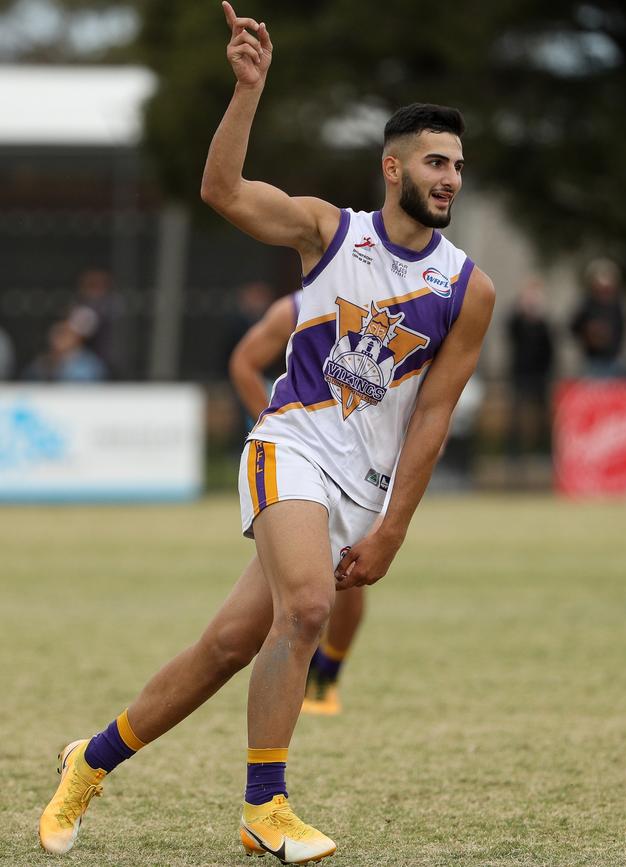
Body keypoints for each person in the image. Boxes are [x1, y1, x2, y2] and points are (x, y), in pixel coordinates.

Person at [38, 4, 495, 864]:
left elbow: (432, 417)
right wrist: (247, 90)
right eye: (436, 162)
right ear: (392, 167)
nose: (450, 178)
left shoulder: (468, 289)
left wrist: (393, 525)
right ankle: (265, 805)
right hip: (290, 445)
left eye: (459, 166)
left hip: (360, 494)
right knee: (313, 606)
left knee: (227, 645)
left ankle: (88, 760)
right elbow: (221, 192)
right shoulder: (330, 230)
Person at [229, 288, 365, 715]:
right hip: (299, 460)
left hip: (359, 467)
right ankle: (308, 671)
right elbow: (244, 363)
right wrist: (275, 426)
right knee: (302, 585)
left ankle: (328, 673)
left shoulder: (391, 299)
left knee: (351, 571)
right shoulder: (300, 305)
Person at [506, 277, 554, 462]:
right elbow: (510, 330)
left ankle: (543, 448)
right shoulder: (519, 322)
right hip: (520, 372)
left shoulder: (543, 325)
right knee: (517, 412)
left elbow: (550, 349)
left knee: (542, 412)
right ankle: (514, 450)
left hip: (539, 374)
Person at [570, 258, 626, 378]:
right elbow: (573, 327)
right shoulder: (587, 304)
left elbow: (621, 329)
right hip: (592, 361)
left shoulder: (617, 305)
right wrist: (588, 333)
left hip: (613, 360)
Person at [22, 321, 107, 383]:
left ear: (76, 340)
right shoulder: (43, 362)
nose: (58, 341)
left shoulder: (89, 365)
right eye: (56, 336)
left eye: (64, 336)